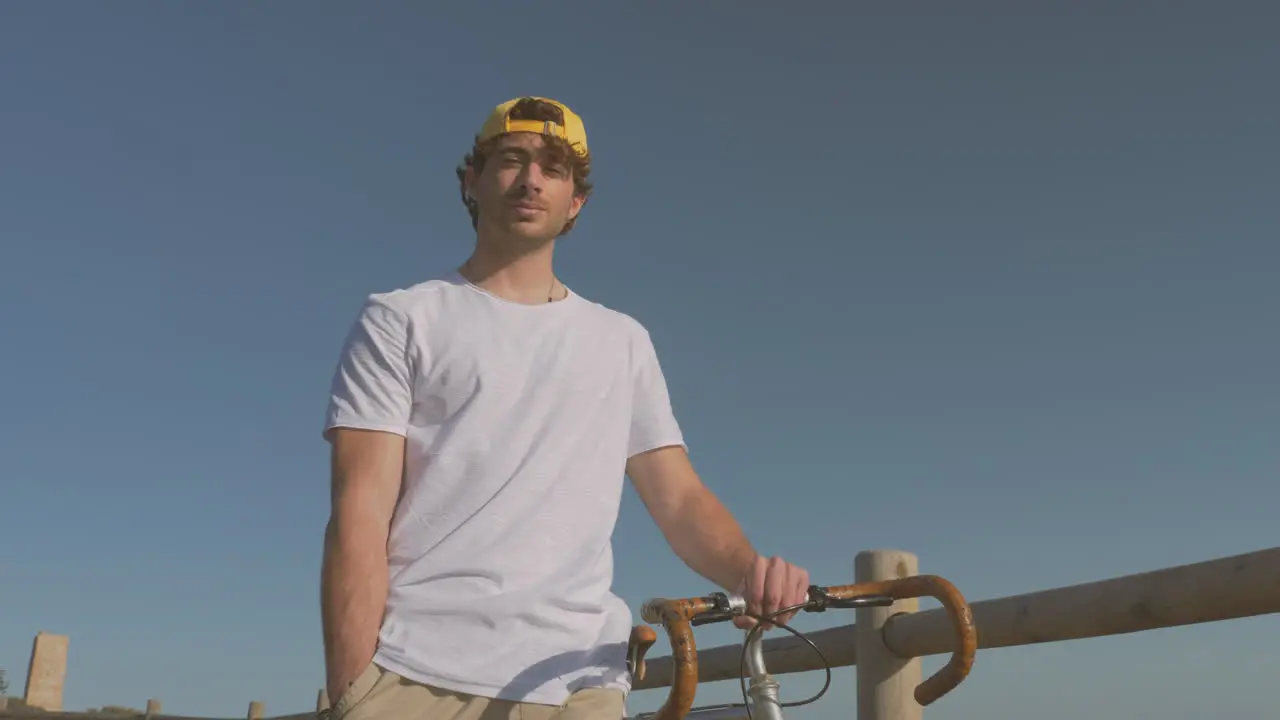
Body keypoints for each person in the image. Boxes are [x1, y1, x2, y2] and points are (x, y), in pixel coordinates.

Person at [319, 96, 810, 720]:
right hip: (418, 677)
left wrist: (750, 575)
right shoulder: (401, 318)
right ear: (472, 181)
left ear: (576, 201)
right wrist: (354, 693)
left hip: (581, 681)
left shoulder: (621, 339)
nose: (530, 180)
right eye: (511, 160)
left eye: (553, 168)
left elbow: (679, 499)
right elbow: (358, 511)